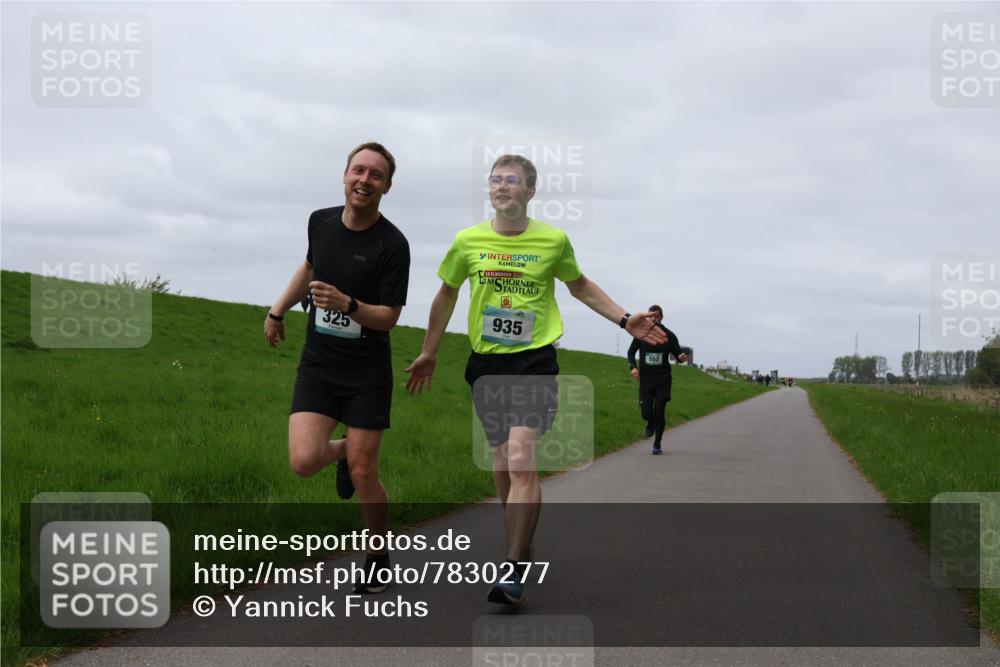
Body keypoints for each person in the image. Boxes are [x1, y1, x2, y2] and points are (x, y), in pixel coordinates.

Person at [404, 154, 666, 606]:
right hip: (485, 365)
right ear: (489, 190)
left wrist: (625, 320)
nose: (503, 186)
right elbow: (446, 293)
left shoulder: (552, 240)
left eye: (513, 181)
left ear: (530, 191)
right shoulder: (468, 241)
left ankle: (511, 567)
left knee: (522, 460)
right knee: (502, 465)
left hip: (534, 362)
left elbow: (579, 285)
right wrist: (429, 350)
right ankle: (520, 546)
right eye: (495, 180)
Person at [264, 142, 410, 594]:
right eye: (358, 171)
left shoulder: (393, 244)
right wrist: (277, 310)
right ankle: (346, 449)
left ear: (387, 186)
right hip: (319, 365)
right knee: (304, 461)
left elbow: (388, 317)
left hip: (367, 370)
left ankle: (378, 553)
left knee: (366, 473)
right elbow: (309, 265)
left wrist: (348, 305)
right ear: (344, 175)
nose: (365, 180)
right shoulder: (320, 222)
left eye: (376, 175)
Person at [627, 305, 688, 454]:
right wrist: (633, 367)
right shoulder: (642, 334)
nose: (653, 319)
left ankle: (657, 444)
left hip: (663, 379)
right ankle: (650, 422)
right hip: (646, 380)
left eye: (657, 316)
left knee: (659, 410)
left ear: (661, 317)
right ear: (647, 317)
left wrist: (681, 358)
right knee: (646, 413)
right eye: (651, 316)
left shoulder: (669, 336)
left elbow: (678, 354)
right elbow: (631, 352)